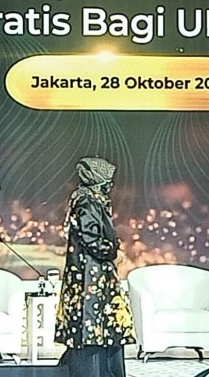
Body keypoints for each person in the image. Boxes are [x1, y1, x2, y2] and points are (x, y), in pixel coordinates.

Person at [55, 157, 135, 377]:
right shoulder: (87, 203)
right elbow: (92, 240)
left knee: (102, 331)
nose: (110, 185)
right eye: (107, 181)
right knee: (92, 328)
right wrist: (112, 251)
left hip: (94, 275)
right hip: (90, 277)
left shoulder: (90, 200)